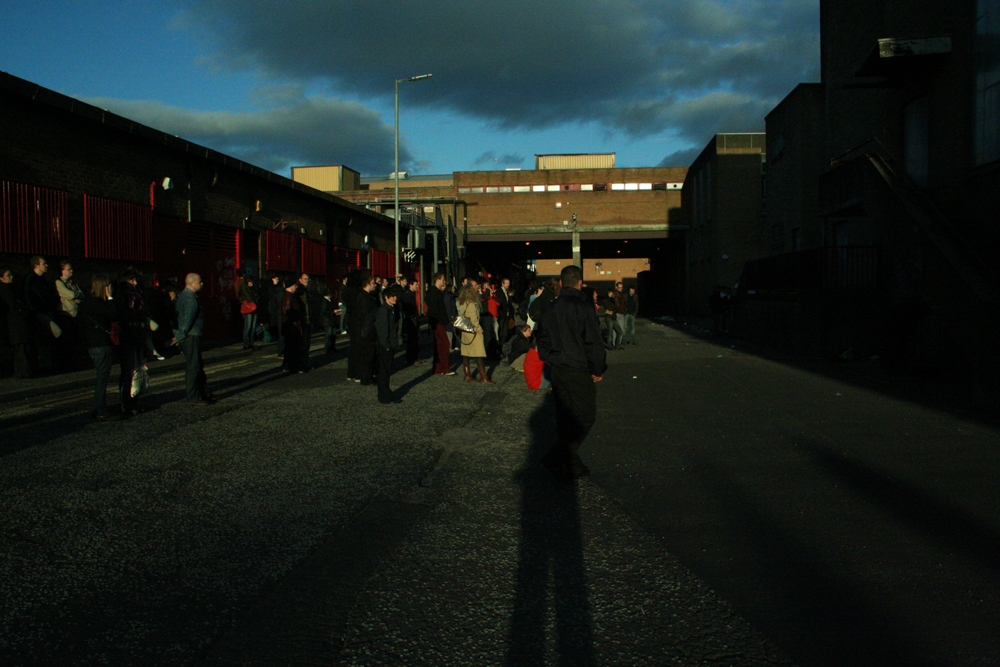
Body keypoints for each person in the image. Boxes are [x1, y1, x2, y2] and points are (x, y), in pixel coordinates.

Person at [537, 264, 607, 481]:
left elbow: (542, 341)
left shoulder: (551, 308)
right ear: (579, 283)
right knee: (586, 416)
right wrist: (597, 369)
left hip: (558, 370)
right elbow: (594, 342)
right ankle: (557, 457)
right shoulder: (583, 307)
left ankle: (570, 464)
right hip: (578, 369)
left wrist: (552, 358)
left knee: (565, 418)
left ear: (561, 282)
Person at [78, 274, 121, 421]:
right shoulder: (98, 303)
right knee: (102, 378)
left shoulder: (87, 302)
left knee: (101, 376)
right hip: (100, 344)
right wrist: (110, 298)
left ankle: (99, 407)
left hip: (92, 344)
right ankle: (100, 409)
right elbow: (114, 313)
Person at [172, 273, 214, 405]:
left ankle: (204, 393)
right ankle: (193, 397)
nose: (202, 284)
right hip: (191, 335)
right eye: (200, 282)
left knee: (197, 365)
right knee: (194, 367)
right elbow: (187, 319)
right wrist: (180, 336)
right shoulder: (190, 298)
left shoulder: (184, 296)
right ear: (191, 283)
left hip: (190, 335)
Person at [458, 283, 494, 384]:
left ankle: (467, 375)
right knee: (479, 354)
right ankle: (484, 377)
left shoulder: (462, 303)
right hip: (474, 332)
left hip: (465, 331)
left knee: (465, 354)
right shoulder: (472, 304)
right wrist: (480, 330)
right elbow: (474, 320)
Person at [0, 268, 33, 378]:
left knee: (21, 347)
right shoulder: (5, 290)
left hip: (15, 324)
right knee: (21, 347)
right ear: (1, 278)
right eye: (8, 275)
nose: (11, 277)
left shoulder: (9, 289)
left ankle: (22, 371)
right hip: (15, 324)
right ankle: (22, 372)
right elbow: (13, 304)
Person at [347, 275, 378, 384]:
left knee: (361, 352)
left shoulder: (363, 296)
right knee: (365, 354)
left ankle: (359, 374)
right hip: (365, 330)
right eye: (373, 283)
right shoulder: (365, 298)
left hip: (361, 329)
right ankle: (364, 376)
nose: (375, 285)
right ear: (368, 284)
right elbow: (365, 316)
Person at [375, 284, 403, 403]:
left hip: (388, 344)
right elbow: (383, 330)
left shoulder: (389, 310)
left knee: (386, 371)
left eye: (395, 296)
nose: (394, 298)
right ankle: (384, 395)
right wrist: (386, 345)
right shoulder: (384, 311)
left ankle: (385, 394)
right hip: (385, 346)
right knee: (384, 372)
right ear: (386, 297)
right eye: (392, 296)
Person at [54, 260, 83, 371]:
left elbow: (82, 294)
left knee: (73, 341)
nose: (71, 271)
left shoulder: (72, 282)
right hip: (65, 315)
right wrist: (76, 296)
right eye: (68, 269)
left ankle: (72, 363)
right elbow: (70, 294)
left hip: (74, 315)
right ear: (62, 271)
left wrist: (76, 297)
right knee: (65, 342)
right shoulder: (59, 282)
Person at [425, 273, 454, 375]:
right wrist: (443, 320)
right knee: (444, 344)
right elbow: (435, 309)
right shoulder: (434, 293)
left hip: (438, 321)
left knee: (440, 345)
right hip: (438, 322)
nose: (444, 281)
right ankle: (444, 368)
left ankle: (438, 368)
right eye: (443, 279)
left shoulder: (435, 292)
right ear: (438, 280)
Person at [280, 276, 306, 373]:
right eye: (295, 285)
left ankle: (288, 366)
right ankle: (292, 366)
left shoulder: (288, 297)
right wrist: (297, 317)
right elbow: (289, 313)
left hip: (290, 326)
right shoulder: (289, 298)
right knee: (292, 347)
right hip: (292, 326)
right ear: (291, 286)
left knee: (290, 347)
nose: (296, 287)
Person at [401, 279, 422, 365]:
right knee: (412, 340)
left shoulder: (411, 294)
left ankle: (414, 357)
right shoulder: (407, 295)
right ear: (410, 285)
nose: (417, 287)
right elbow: (408, 308)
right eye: (416, 285)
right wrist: (413, 316)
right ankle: (411, 358)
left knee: (416, 339)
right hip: (411, 320)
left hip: (413, 318)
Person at [237, 273, 259, 350]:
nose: (251, 283)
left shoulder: (252, 288)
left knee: (252, 327)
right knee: (248, 326)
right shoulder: (243, 287)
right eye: (250, 281)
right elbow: (249, 297)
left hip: (254, 307)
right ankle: (246, 343)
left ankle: (251, 343)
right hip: (248, 308)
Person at [320, 286, 341, 355]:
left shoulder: (327, 300)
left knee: (332, 334)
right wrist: (333, 312)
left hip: (330, 320)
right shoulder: (325, 301)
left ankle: (331, 347)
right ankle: (328, 348)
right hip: (328, 320)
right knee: (329, 334)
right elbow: (325, 311)